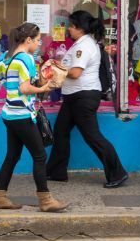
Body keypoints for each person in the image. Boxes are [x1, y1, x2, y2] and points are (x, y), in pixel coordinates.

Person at [0, 22, 68, 212]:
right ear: (28, 40)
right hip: (22, 115)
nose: (39, 44)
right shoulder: (25, 58)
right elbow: (24, 88)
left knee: (12, 156)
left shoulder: (7, 57)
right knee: (40, 156)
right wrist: (43, 88)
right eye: (38, 40)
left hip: (9, 114)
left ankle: (0, 197)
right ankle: (46, 200)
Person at [46, 10, 128, 188]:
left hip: (83, 97)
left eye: (71, 26)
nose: (68, 29)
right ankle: (56, 172)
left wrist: (56, 69)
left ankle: (117, 173)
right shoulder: (80, 44)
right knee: (60, 132)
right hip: (74, 97)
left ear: (78, 28)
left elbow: (75, 73)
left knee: (93, 137)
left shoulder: (84, 46)